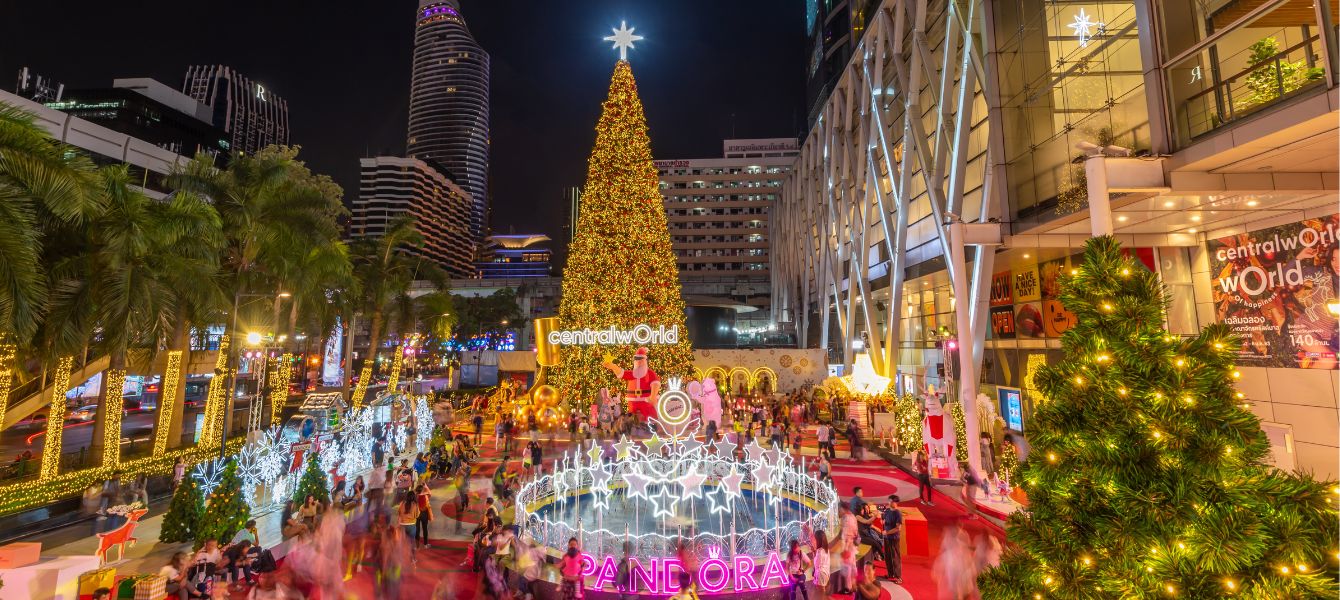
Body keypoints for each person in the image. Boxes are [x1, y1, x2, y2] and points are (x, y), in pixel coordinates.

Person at [881, 495, 904, 584]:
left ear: (895, 502)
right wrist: (883, 521)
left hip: (894, 538)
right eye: (889, 501)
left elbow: (898, 528)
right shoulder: (887, 511)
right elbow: (884, 521)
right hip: (886, 538)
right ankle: (890, 574)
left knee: (895, 557)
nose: (889, 503)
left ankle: (899, 577)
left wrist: (887, 532)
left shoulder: (898, 513)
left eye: (891, 501)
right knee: (887, 557)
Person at [811, 531, 831, 600]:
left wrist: (814, 554)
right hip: (826, 572)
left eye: (815, 539)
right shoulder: (826, 549)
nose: (814, 540)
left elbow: (816, 565)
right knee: (821, 591)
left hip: (821, 574)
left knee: (821, 593)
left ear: (818, 540)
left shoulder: (819, 552)